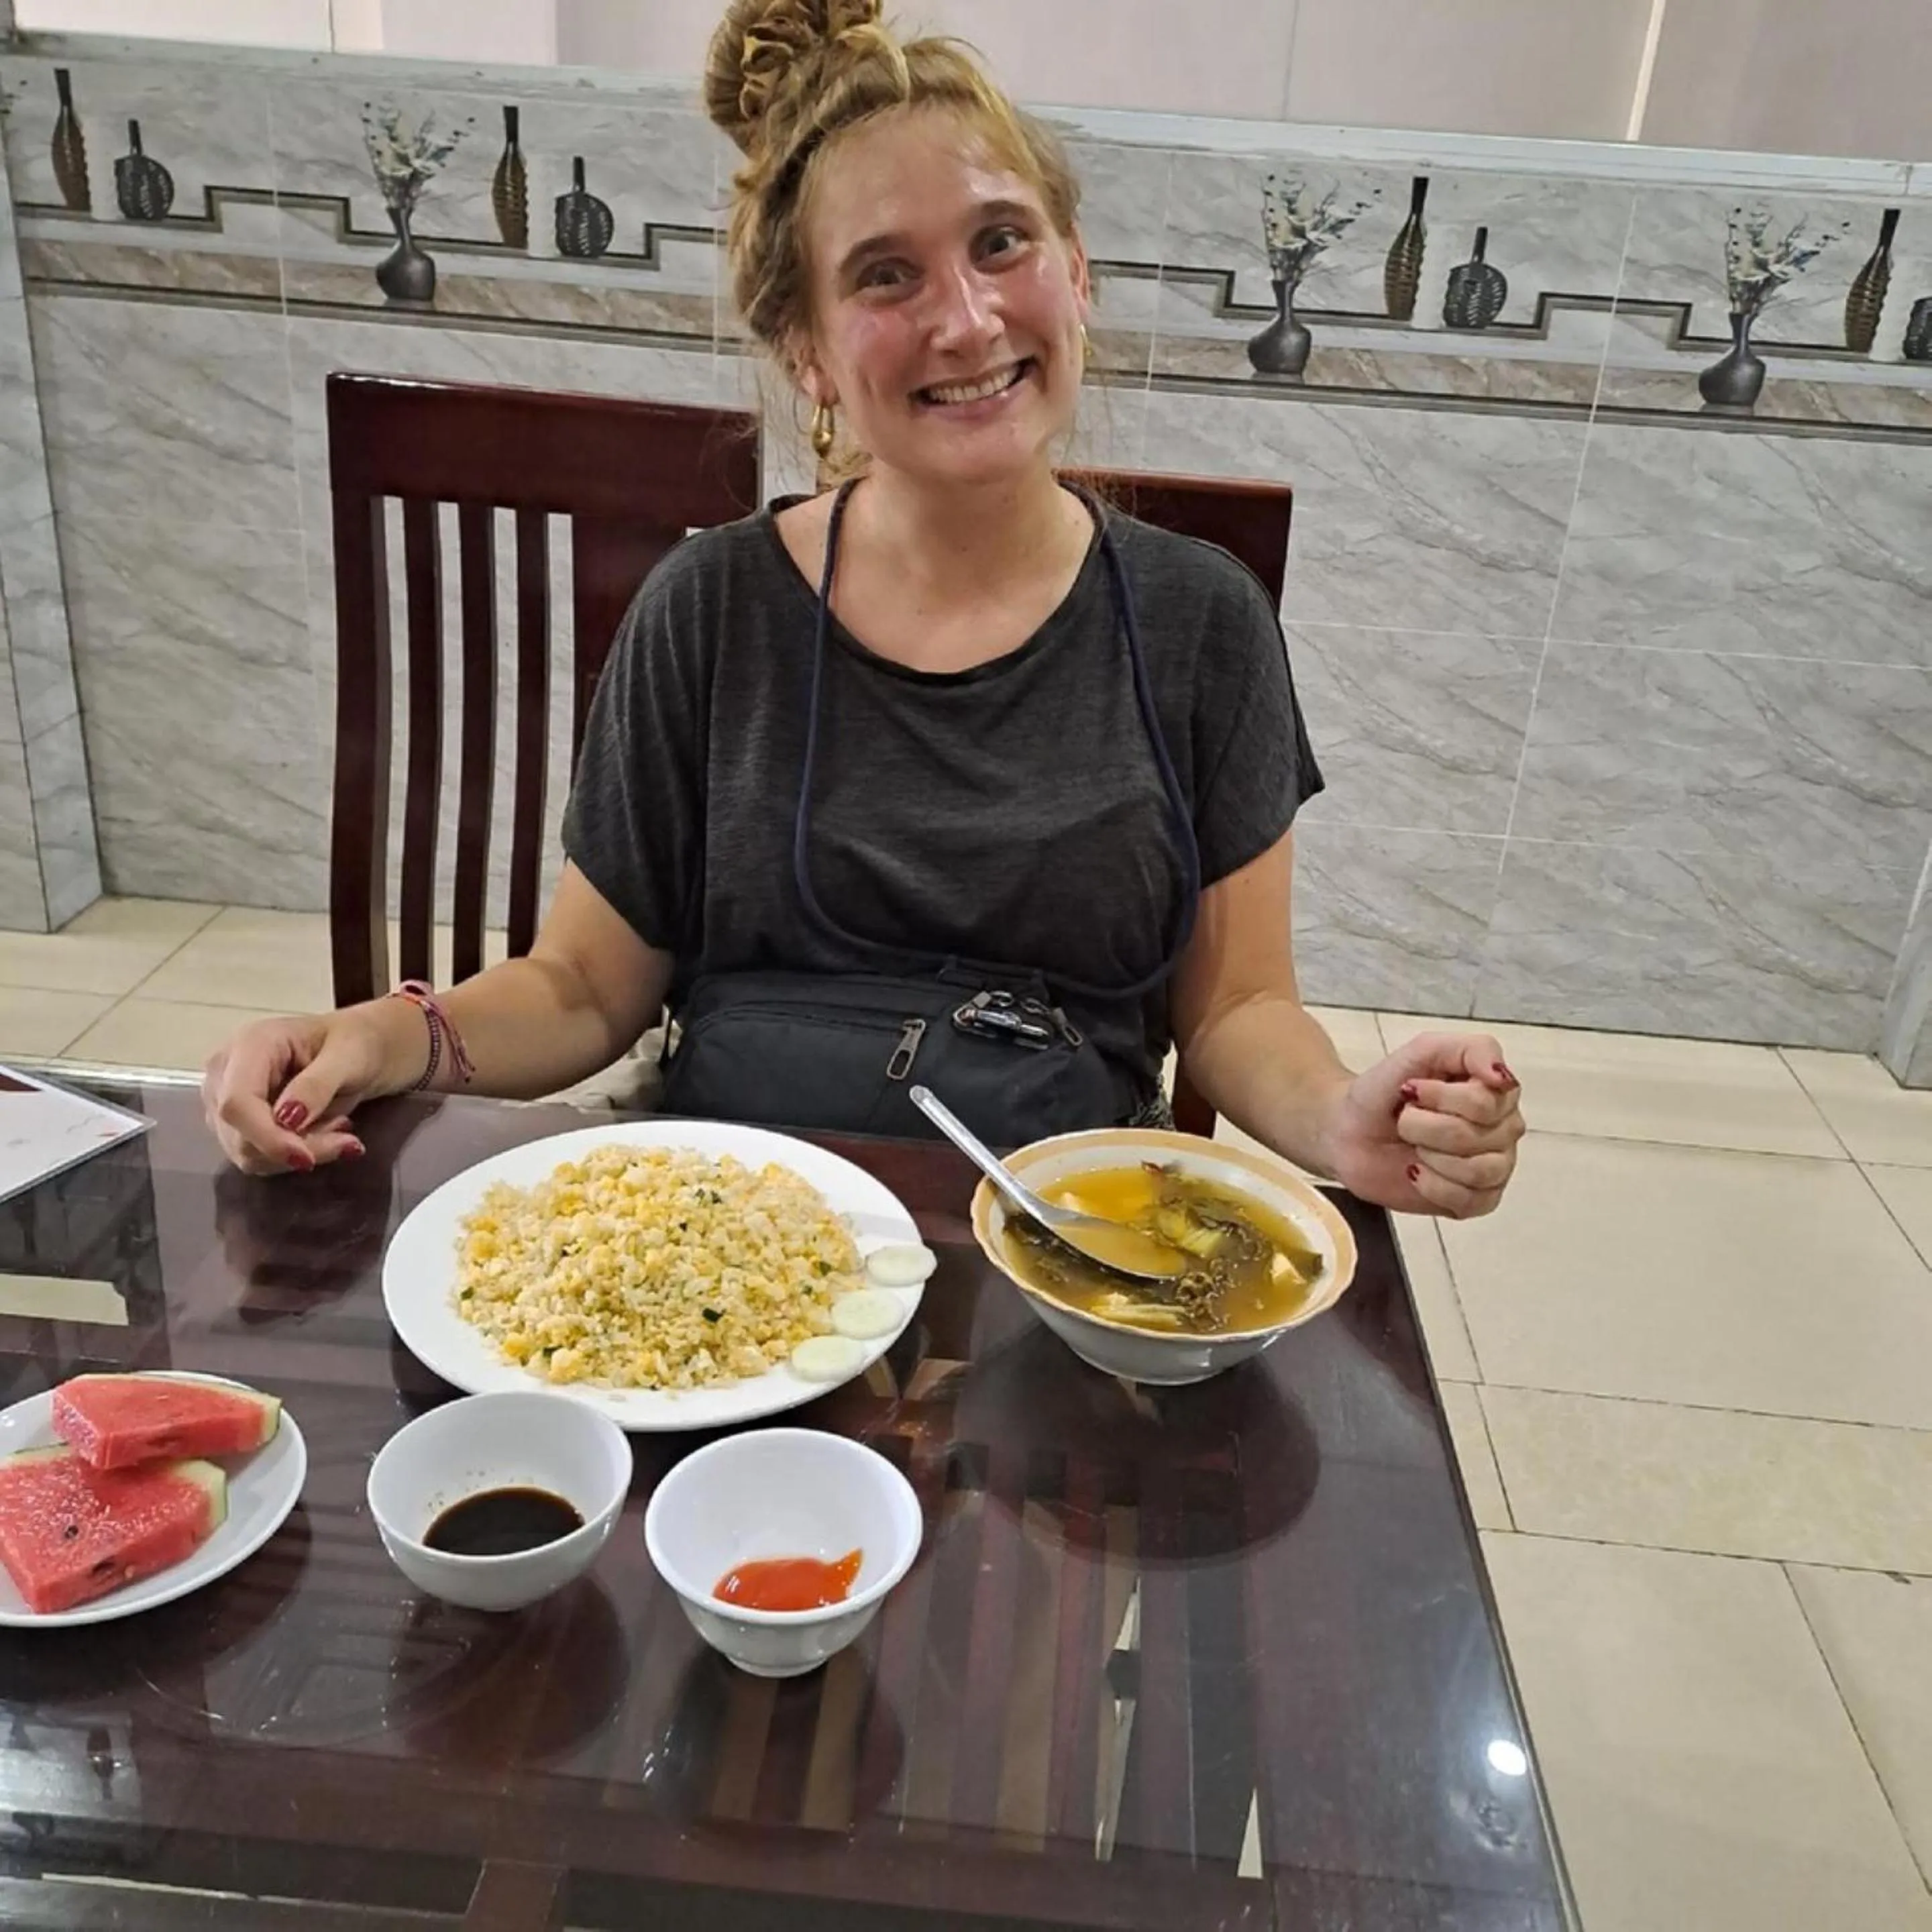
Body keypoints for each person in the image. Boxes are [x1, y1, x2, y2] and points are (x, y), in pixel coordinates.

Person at [203, 0, 1523, 1220]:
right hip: (721, 1225)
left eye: (1001, 242)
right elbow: (587, 986)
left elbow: (1237, 1007)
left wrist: (1345, 1119)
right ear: (809, 353)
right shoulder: (710, 611)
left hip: (1051, 1255)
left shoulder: (1202, 626)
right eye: (885, 275)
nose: (964, 318)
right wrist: (383, 1034)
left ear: (1075, 270)